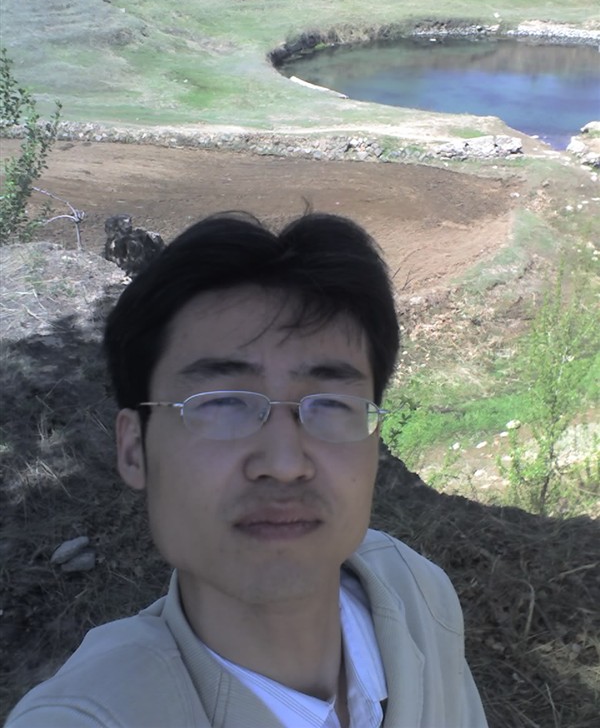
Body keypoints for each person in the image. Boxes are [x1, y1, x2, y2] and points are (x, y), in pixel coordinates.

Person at [7, 211, 488, 727]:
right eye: (222, 403)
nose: (284, 465)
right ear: (133, 449)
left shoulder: (417, 592)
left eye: (330, 404)